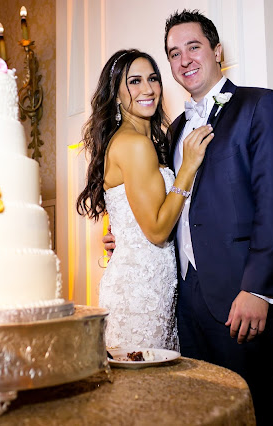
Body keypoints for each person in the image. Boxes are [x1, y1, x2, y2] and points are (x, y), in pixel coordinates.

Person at [104, 10, 273, 425]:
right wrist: (126, 233)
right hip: (183, 300)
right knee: (196, 412)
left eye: (193, 47)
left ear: (217, 51)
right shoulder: (172, 131)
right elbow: (163, 207)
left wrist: (258, 290)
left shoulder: (260, 105)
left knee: (251, 409)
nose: (184, 59)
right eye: (174, 53)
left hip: (239, 297)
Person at [76, 49, 214, 351]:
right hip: (139, 293)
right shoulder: (134, 144)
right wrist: (187, 168)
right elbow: (157, 230)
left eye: (153, 78)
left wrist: (120, 236)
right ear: (115, 94)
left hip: (156, 287)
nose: (148, 89)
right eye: (134, 81)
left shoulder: (149, 141)